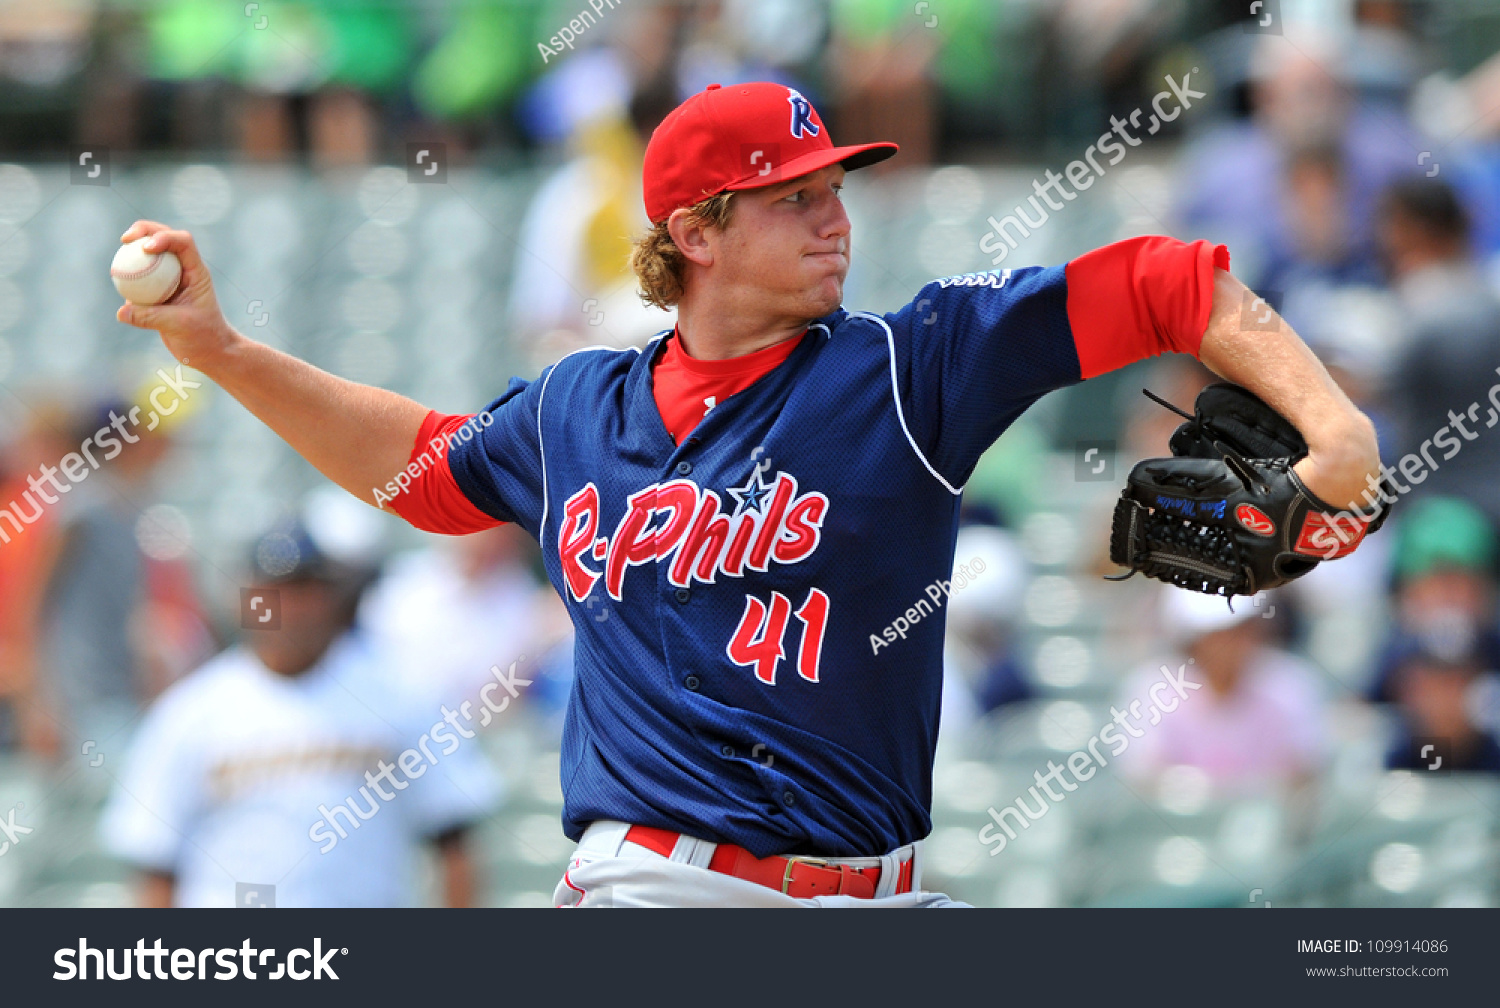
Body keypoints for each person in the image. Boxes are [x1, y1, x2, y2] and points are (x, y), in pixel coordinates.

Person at [114, 81, 1382, 907]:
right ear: (699, 231)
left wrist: (1337, 426)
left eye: (837, 190)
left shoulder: (909, 366)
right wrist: (225, 354)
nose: (837, 219)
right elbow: (424, 473)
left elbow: (1168, 279)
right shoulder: (576, 412)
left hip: (886, 894)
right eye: (797, 197)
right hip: (663, 891)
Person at [100, 520, 501, 907]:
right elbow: (155, 864)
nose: (292, 607)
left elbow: (454, 841)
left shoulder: (401, 696)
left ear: (332, 597)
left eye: (306, 590)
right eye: (277, 590)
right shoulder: (192, 711)